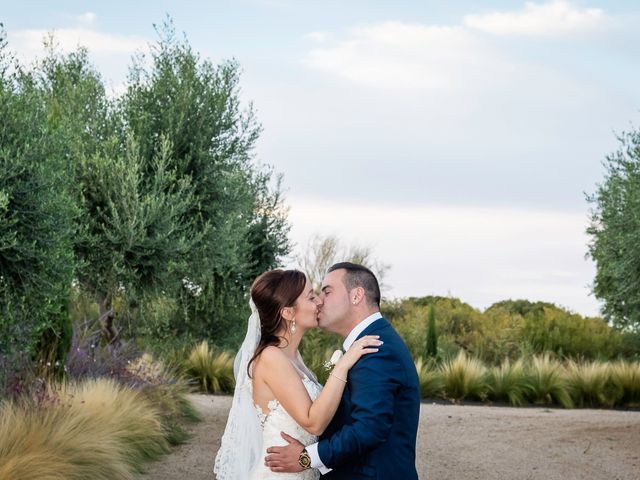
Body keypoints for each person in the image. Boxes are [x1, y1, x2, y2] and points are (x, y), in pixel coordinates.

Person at [213, 268, 382, 479]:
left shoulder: (293, 357)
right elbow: (314, 423)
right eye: (311, 297)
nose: (319, 302)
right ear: (288, 312)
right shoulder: (270, 357)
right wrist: (342, 366)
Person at [264, 262, 421, 479]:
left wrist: (305, 458)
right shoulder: (370, 343)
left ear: (356, 295)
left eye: (327, 291)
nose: (319, 300)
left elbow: (368, 429)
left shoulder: (377, 348)